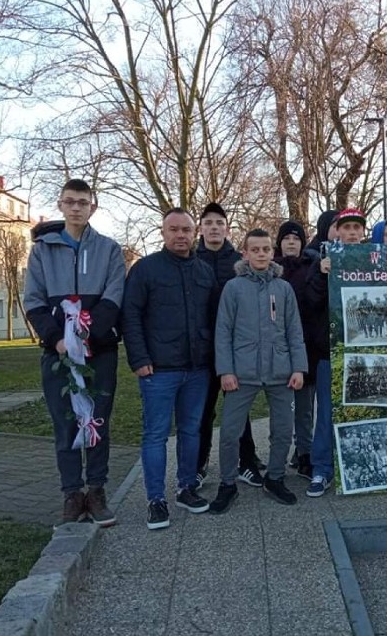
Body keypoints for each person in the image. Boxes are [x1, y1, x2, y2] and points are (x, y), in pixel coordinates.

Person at [23, 178, 125, 527]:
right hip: (59, 352)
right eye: (70, 202)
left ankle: (96, 491)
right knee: (65, 422)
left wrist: (89, 337)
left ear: (92, 206)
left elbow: (114, 297)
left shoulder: (110, 249)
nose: (77, 207)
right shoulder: (41, 251)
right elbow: (34, 301)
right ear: (61, 205)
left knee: (96, 421)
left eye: (83, 202)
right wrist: (58, 339)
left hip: (100, 351)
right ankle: (71, 493)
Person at [121, 208, 218, 529]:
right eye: (174, 229)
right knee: (156, 435)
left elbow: (214, 319)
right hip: (158, 369)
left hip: (197, 369)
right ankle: (155, 499)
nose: (180, 235)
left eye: (186, 230)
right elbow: (130, 316)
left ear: (195, 234)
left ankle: (186, 487)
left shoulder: (204, 271)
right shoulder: (145, 270)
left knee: (191, 431)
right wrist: (139, 359)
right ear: (163, 233)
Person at [209, 229, 308, 513]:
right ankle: (228, 484)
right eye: (256, 250)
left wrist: (298, 367)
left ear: (271, 252)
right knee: (229, 432)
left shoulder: (284, 288)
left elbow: (294, 330)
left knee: (282, 430)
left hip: (280, 370)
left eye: (266, 249)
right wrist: (225, 371)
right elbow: (223, 332)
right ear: (246, 253)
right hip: (242, 372)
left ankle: (275, 478)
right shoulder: (234, 287)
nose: (262, 254)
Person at [195, 202, 263, 488]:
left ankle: (246, 462)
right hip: (201, 349)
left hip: (237, 350)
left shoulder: (240, 261)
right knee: (203, 411)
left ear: (227, 228)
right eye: (208, 222)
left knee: (239, 410)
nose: (214, 227)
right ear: (201, 228)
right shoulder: (190, 258)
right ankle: (199, 465)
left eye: (219, 223)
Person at [304, 207, 366, 497]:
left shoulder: (374, 260)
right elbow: (310, 303)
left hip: (367, 350)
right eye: (347, 228)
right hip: (333, 351)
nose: (352, 233)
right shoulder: (323, 261)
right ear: (336, 231)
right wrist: (321, 274)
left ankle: (359, 466)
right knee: (326, 413)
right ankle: (321, 469)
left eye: (357, 228)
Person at [273, 219, 319, 478]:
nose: (291, 242)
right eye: (287, 238)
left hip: (306, 347)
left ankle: (304, 453)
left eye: (296, 238)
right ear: (279, 242)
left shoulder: (310, 268)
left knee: (304, 409)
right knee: (280, 410)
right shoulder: (270, 269)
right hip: (277, 349)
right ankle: (277, 458)